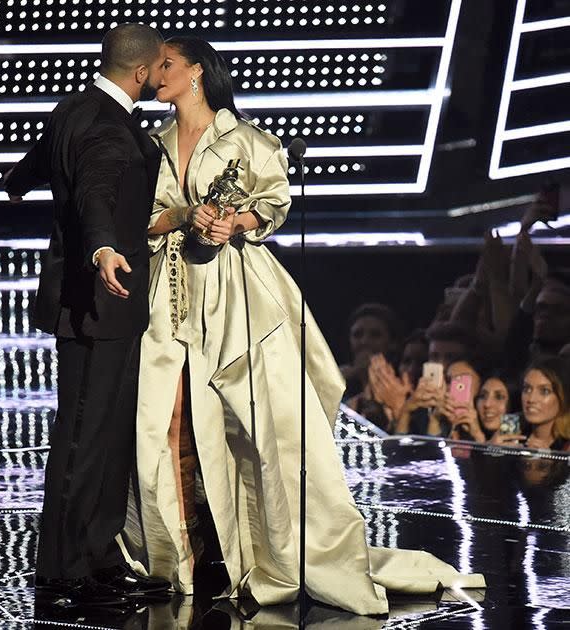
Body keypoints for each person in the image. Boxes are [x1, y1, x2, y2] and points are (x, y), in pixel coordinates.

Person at [118, 36, 484, 616]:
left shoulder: (248, 140)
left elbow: (274, 203)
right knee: (165, 425)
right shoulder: (152, 147)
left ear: (194, 73)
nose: (154, 73)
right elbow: (138, 219)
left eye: (166, 63)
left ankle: (278, 557)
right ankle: (174, 566)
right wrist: (183, 216)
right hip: (171, 294)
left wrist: (233, 220)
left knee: (265, 431)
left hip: (238, 294)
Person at [4, 24, 171, 605]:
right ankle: (65, 568)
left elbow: (41, 162)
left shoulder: (73, 108)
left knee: (104, 434)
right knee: (83, 435)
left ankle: (98, 557)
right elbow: (95, 192)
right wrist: (102, 247)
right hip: (100, 302)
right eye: (158, 69)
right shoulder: (106, 125)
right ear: (142, 71)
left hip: (104, 307)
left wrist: (18, 183)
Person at [519, 356, 570, 451]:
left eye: (545, 391)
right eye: (527, 389)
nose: (531, 399)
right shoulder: (513, 429)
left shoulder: (567, 445)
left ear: (563, 397)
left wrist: (550, 463)